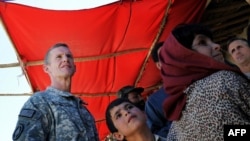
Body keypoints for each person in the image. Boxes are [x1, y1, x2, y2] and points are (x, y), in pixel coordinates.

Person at [159, 23, 250, 140]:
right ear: (183, 56)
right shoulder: (223, 80)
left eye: (212, 41)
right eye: (202, 42)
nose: (217, 46)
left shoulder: (176, 117)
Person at [12, 43, 99, 141]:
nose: (65, 59)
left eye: (69, 56)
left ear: (75, 68)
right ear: (46, 68)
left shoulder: (84, 111)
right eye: (59, 57)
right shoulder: (39, 101)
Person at [145, 42, 171, 138]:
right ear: (159, 65)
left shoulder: (200, 80)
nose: (171, 57)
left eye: (173, 52)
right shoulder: (154, 102)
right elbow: (155, 133)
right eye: (165, 55)